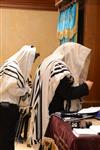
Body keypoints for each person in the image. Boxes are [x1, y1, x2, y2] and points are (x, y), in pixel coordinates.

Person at [31, 42, 93, 143]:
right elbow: (67, 93)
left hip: (46, 109)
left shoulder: (49, 62)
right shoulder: (59, 67)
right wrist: (85, 87)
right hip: (54, 115)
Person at [0, 45, 40, 150]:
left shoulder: (14, 66)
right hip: (6, 109)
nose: (31, 64)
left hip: (8, 108)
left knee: (7, 139)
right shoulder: (12, 66)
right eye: (32, 60)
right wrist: (26, 89)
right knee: (5, 139)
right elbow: (13, 90)